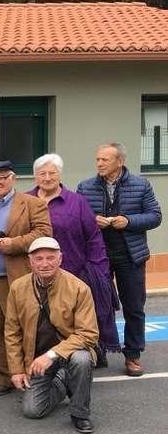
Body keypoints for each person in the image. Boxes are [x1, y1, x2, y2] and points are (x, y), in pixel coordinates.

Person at [77, 143, 162, 376]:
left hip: (130, 255)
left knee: (134, 307)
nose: (99, 164)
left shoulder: (141, 184)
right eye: (97, 159)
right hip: (97, 256)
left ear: (120, 162)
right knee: (97, 306)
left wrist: (128, 221)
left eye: (104, 159)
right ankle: (99, 349)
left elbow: (155, 216)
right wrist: (93, 219)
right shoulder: (85, 187)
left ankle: (133, 355)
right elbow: (78, 216)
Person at [0, 161, 52, 397]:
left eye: (0, 178)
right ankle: (3, 377)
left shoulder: (32, 204)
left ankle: (30, 376)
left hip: (18, 279)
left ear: (12, 178)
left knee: (24, 331)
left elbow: (44, 233)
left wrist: (14, 244)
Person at [26, 153, 120, 365]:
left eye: (52, 173)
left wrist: (99, 269)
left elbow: (94, 237)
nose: (47, 177)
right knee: (41, 320)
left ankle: (79, 359)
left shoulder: (77, 202)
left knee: (71, 319)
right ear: (35, 176)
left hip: (73, 271)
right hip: (36, 273)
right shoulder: (25, 201)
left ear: (60, 175)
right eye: (42, 173)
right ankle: (42, 360)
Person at [4, 237, 99, 434]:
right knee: (32, 410)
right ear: (30, 262)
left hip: (67, 354)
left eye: (50, 258)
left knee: (82, 359)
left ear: (60, 259)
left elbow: (88, 334)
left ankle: (80, 413)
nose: (45, 263)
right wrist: (16, 370)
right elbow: (12, 332)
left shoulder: (79, 288)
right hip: (36, 358)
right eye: (38, 259)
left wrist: (51, 355)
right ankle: (63, 382)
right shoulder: (17, 287)